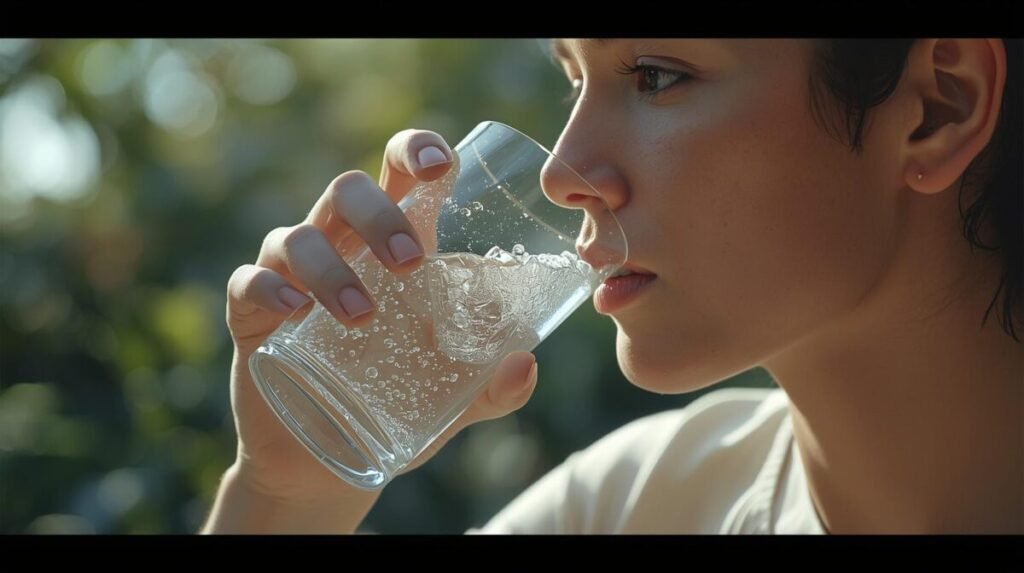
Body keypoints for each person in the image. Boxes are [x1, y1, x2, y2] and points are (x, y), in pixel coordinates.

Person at [201, 39, 1022, 534]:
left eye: (657, 76)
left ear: (937, 106)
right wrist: (288, 495)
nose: (561, 174)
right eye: (574, 80)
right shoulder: (632, 504)